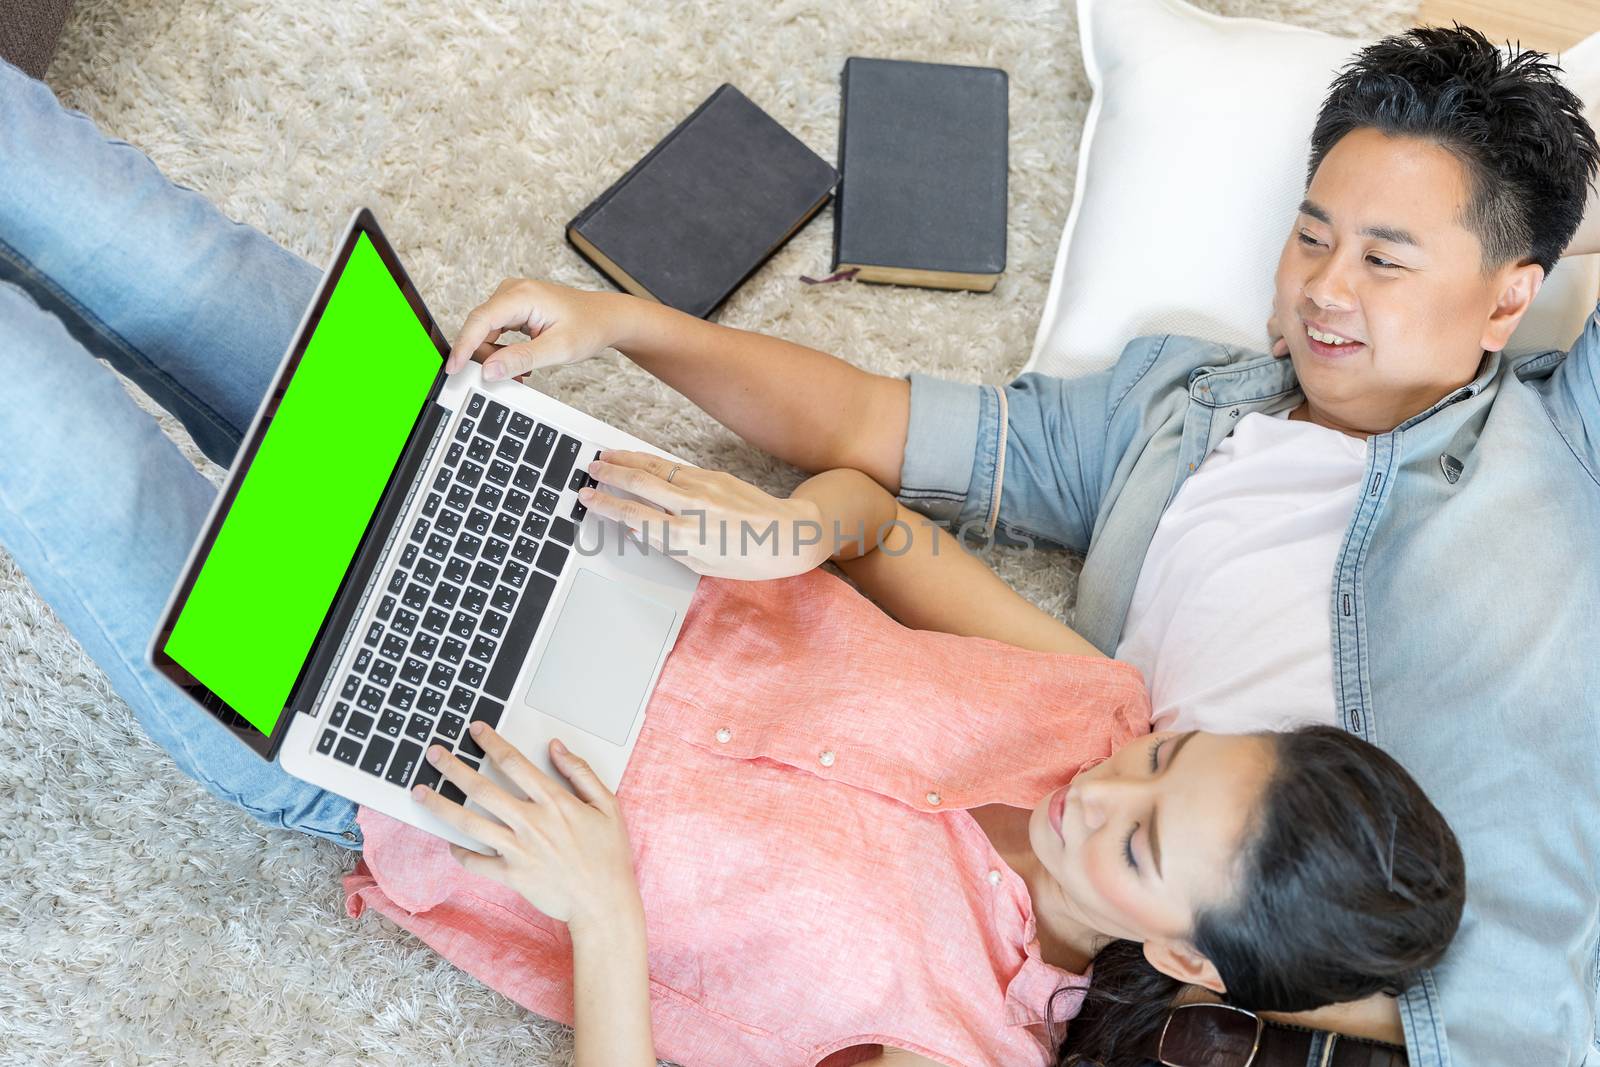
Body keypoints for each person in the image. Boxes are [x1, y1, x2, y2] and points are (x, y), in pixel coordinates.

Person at [442, 26, 1600, 1066]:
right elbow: (867, 428)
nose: (1322, 290)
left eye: (1384, 261)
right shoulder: (1177, 406)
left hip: (1282, 927)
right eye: (1309, 236)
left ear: (1509, 301)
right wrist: (627, 325)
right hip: (817, 703)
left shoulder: (1564, 442)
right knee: (384, 380)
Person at [343, 449, 1462, 1067]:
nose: (1107, 783)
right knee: (189, 268)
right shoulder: (1095, 703)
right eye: (1169, 754)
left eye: (1140, 834)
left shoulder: (964, 1041)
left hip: (423, 770)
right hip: (564, 532)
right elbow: (873, 520)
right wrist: (786, 531)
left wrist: (602, 908)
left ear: (1187, 958)